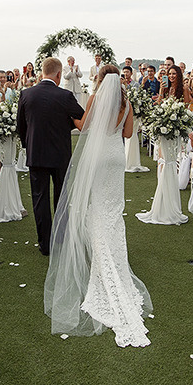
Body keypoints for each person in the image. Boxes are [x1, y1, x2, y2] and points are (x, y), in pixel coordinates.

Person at [44, 66, 151, 347]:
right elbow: (128, 134)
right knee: (114, 210)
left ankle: (104, 258)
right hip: (117, 155)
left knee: (97, 207)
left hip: (99, 155)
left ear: (101, 80)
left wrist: (70, 118)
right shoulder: (126, 103)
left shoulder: (94, 98)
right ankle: (116, 256)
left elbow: (86, 126)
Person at [17, 57, 85, 256]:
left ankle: (44, 244)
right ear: (58, 74)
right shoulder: (65, 95)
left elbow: (21, 125)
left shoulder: (26, 94)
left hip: (36, 152)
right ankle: (61, 239)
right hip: (60, 154)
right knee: (61, 197)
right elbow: (81, 118)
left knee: (40, 199)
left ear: (42, 73)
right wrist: (66, 124)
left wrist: (28, 145)